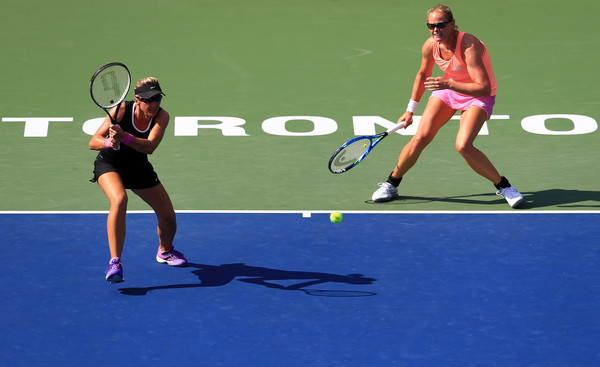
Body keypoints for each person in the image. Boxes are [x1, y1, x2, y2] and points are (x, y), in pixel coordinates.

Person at [372, 4, 523, 208]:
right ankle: (391, 183)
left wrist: (448, 83)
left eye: (441, 25)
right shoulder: (430, 45)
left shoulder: (469, 45)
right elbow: (422, 75)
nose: (436, 30)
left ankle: (504, 187)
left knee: (463, 146)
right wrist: (410, 110)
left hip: (476, 95)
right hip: (449, 89)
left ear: (452, 24)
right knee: (420, 137)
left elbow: (484, 88)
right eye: (431, 26)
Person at [89, 77, 188, 284]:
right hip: (110, 165)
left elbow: (150, 146)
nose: (154, 104)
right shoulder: (121, 111)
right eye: (149, 99)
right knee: (119, 200)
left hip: (137, 167)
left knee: (168, 217)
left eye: (158, 98)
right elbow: (93, 142)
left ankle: (165, 251)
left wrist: (124, 137)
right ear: (137, 100)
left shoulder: (162, 116)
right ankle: (115, 262)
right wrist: (109, 141)